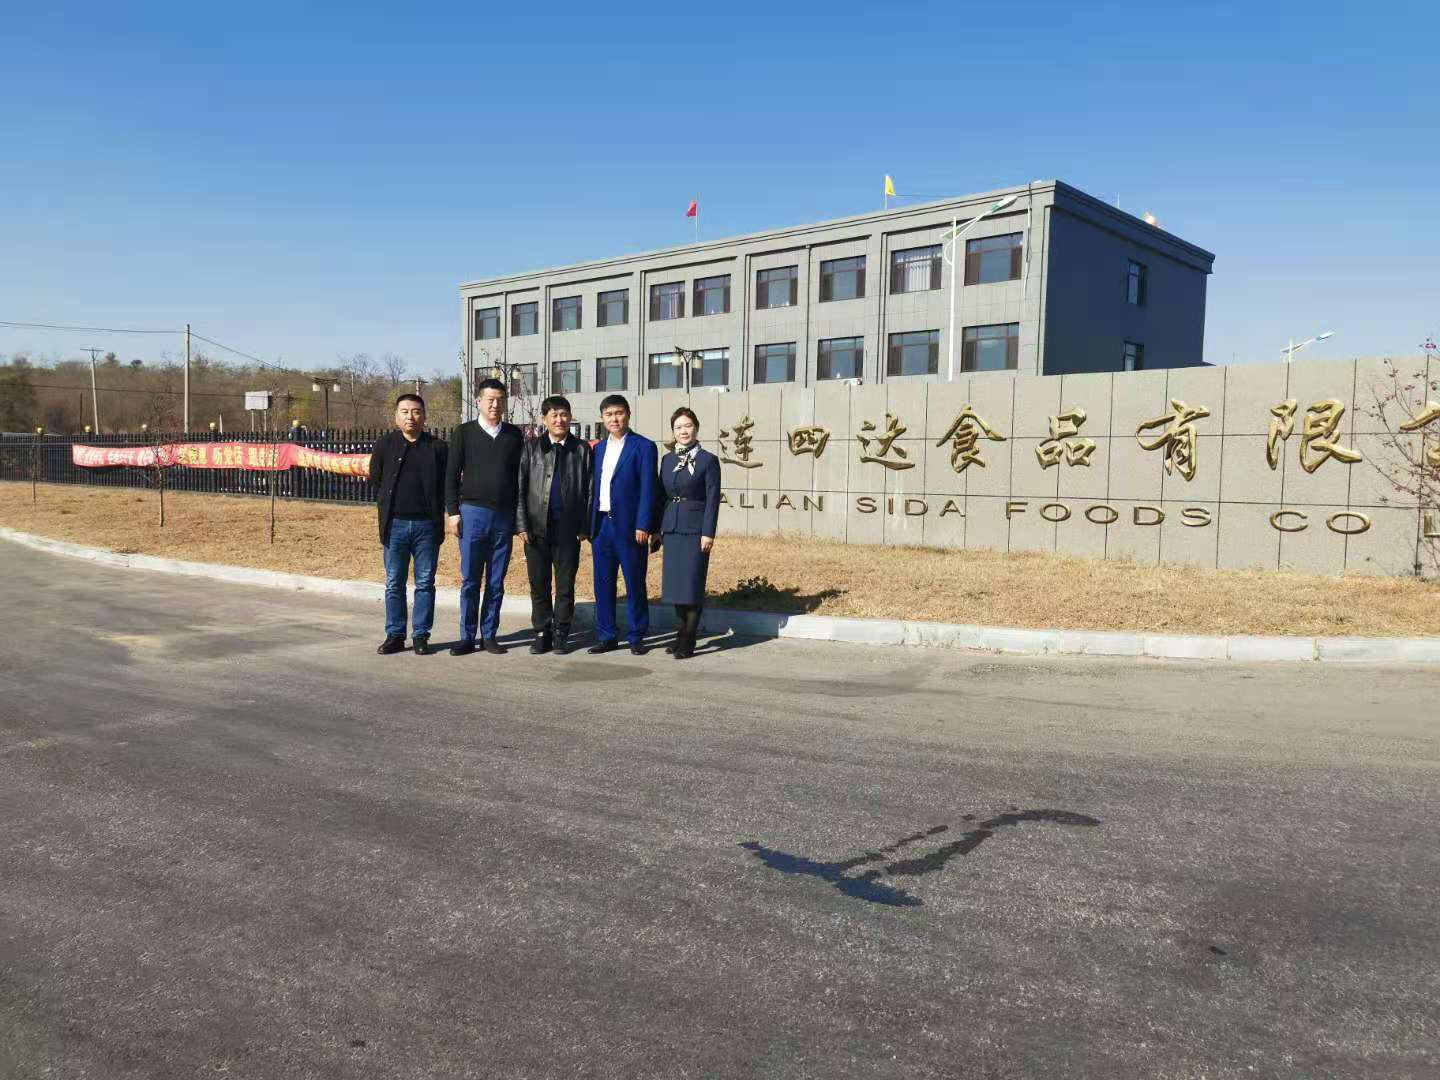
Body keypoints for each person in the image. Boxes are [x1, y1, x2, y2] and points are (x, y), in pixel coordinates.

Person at [445, 378, 525, 655]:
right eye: (490, 399)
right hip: (472, 513)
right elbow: (451, 475)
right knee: (470, 579)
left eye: (500, 400)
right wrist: (453, 512)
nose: (495, 404)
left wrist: (518, 518)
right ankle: (467, 636)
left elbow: (519, 478)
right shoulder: (464, 432)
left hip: (503, 516)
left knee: (496, 580)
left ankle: (489, 634)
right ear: (478, 401)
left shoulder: (514, 435)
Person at [370, 393, 449, 656]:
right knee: (394, 582)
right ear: (396, 416)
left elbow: (447, 485)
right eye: (404, 412)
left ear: (424, 416)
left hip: (427, 526)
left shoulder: (438, 448)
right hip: (395, 525)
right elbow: (376, 479)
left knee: (425, 582)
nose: (410, 417)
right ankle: (395, 635)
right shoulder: (385, 444)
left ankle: (421, 635)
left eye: (416, 412)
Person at [516, 395, 592, 656]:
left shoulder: (581, 449)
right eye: (554, 415)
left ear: (570, 418)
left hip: (568, 530)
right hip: (536, 529)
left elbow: (590, 491)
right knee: (538, 583)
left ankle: (561, 631)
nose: (559, 420)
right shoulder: (531, 448)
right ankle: (542, 631)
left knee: (565, 584)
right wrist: (522, 524)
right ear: (544, 419)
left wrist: (585, 525)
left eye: (564, 415)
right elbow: (520, 488)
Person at [587, 393, 659, 655]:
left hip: (630, 527)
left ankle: (636, 635)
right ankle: (607, 635)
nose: (614, 419)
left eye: (619, 413)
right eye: (609, 414)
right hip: (601, 525)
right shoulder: (597, 449)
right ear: (602, 418)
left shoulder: (644, 447)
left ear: (628, 414)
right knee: (603, 582)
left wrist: (644, 524)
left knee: (634, 582)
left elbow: (649, 488)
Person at [659, 407, 721, 659]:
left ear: (696, 428)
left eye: (688, 426)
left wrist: (708, 532)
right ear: (673, 431)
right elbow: (661, 495)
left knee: (692, 586)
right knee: (676, 587)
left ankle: (689, 638)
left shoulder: (708, 460)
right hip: (672, 529)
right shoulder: (667, 460)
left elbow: (713, 499)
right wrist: (657, 529)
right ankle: (679, 634)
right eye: (678, 427)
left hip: (695, 531)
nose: (683, 431)